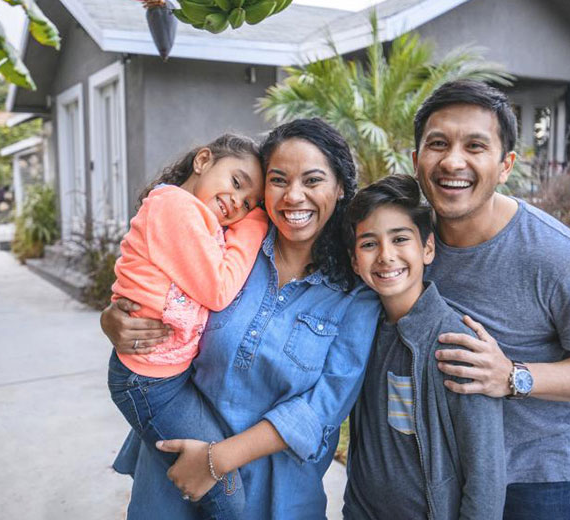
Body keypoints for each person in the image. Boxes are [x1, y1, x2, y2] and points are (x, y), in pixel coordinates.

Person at [100, 118, 381, 519]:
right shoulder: (227, 243)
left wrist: (217, 459)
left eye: (313, 180)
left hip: (272, 492)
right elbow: (148, 279)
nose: (294, 196)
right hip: (173, 470)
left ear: (339, 189)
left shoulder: (354, 291)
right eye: (279, 180)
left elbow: (322, 406)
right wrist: (114, 318)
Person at [412, 80, 570, 519]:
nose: (453, 161)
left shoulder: (557, 256)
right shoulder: (406, 244)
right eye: (437, 143)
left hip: (534, 482)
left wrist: (513, 377)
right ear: (416, 160)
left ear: (505, 165)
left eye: (475, 145)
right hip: (438, 471)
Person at [107, 133, 269, 518]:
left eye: (249, 203)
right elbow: (217, 289)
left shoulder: (200, 219)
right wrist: (257, 222)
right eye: (236, 182)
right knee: (225, 493)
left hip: (164, 377)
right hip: (149, 383)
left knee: (216, 482)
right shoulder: (176, 207)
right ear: (203, 161)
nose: (238, 203)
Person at [342, 174, 506, 520]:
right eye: (369, 244)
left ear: (427, 248)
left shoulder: (456, 344)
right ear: (355, 261)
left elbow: (486, 474)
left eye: (400, 239)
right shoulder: (360, 331)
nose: (386, 256)